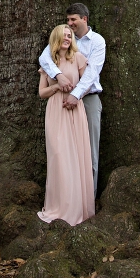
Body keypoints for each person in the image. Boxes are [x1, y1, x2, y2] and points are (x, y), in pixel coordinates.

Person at [38, 2, 105, 198]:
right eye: (68, 20)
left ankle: (87, 200)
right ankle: (67, 199)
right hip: (62, 102)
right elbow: (44, 58)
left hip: (88, 99)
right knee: (63, 152)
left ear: (84, 19)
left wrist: (76, 95)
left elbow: (92, 72)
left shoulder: (97, 42)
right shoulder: (64, 39)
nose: (69, 23)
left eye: (73, 19)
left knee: (88, 152)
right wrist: (58, 76)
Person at [37, 24, 95, 226]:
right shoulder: (48, 63)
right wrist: (56, 87)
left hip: (74, 110)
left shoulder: (78, 58)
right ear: (56, 38)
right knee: (59, 156)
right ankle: (59, 207)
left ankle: (77, 208)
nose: (67, 39)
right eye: (63, 36)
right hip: (55, 111)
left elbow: (88, 82)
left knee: (76, 156)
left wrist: (74, 94)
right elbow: (41, 93)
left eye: (70, 36)